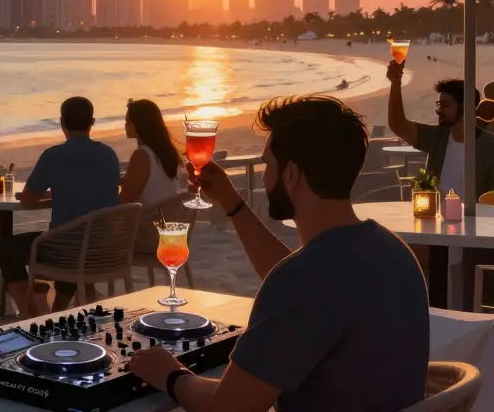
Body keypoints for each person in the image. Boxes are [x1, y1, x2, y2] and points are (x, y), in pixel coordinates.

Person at [129, 96, 428, 412]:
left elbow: (228, 406)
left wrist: (171, 374)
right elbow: (303, 285)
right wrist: (232, 203)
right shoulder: (392, 252)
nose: (263, 175)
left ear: (292, 175)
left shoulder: (305, 280)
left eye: (267, 164)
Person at [0, 96, 120, 317]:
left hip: (67, 252)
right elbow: (92, 189)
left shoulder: (53, 156)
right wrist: (61, 193)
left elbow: (27, 201)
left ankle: (28, 314)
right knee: (72, 237)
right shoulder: (109, 155)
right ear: (92, 122)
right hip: (103, 249)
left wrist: (51, 194)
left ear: (61, 122)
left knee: (7, 248)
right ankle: (58, 310)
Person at [387, 60, 494, 197]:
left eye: (445, 105)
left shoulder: (489, 145)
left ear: (465, 106)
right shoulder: (438, 137)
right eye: (438, 104)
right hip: (436, 216)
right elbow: (398, 125)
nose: (438, 111)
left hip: (476, 218)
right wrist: (395, 82)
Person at [118, 98, 180, 207]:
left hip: (150, 219)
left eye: (128, 121)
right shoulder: (162, 151)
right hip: (168, 215)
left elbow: (125, 200)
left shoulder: (141, 155)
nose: (125, 125)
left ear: (140, 124)